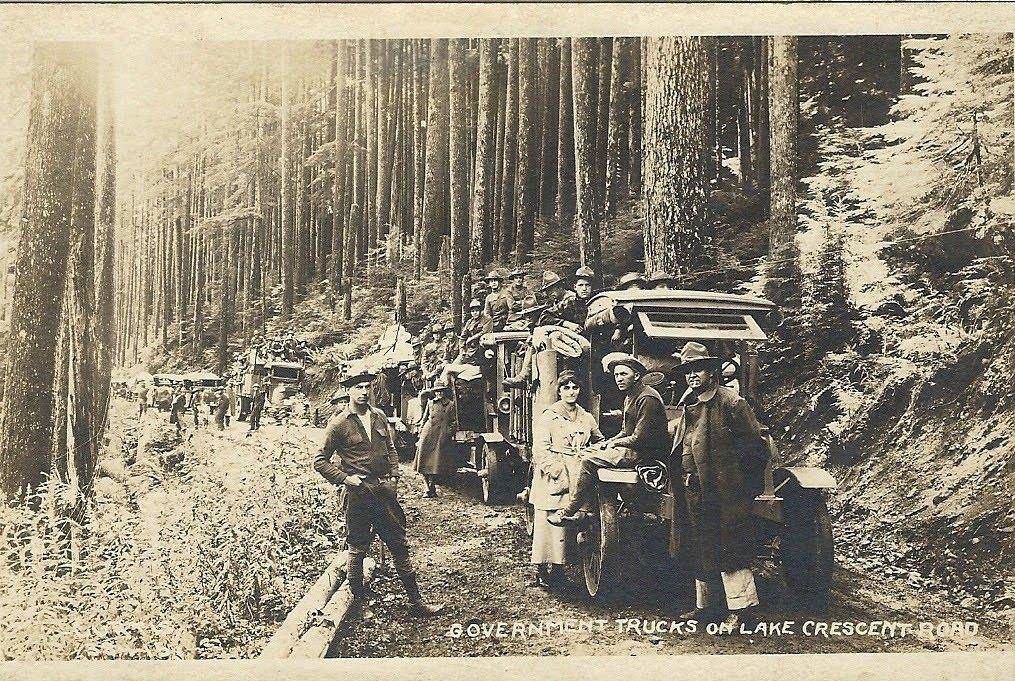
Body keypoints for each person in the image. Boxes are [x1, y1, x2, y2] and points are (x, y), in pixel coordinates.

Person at [314, 368, 444, 616]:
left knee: (398, 544)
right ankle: (358, 606)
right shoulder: (339, 424)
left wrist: (395, 476)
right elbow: (320, 461)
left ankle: (417, 602)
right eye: (358, 388)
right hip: (358, 494)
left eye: (367, 387)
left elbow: (392, 449)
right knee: (358, 548)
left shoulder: (379, 416)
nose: (364, 392)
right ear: (348, 391)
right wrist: (345, 479)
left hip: (384, 491)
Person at [670, 341, 767, 630]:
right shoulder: (691, 405)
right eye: (688, 371)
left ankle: (741, 611)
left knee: (731, 548)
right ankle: (707, 608)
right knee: (701, 545)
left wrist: (740, 490)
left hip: (727, 493)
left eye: (698, 369)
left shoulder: (732, 403)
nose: (692, 375)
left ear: (713, 371)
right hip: (694, 490)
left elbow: (755, 451)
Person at [548, 354, 669, 525]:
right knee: (585, 453)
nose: (618, 379)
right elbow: (624, 431)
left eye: (623, 374)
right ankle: (585, 508)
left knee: (589, 461)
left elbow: (639, 438)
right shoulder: (630, 396)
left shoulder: (647, 398)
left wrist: (613, 443)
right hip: (634, 449)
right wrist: (606, 442)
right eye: (616, 375)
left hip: (647, 454)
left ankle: (571, 510)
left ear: (636, 376)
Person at [529, 370, 603, 586]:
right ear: (559, 391)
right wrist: (555, 470)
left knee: (571, 519)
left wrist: (594, 452)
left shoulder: (586, 417)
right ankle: (542, 568)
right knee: (548, 521)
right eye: (566, 388)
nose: (571, 392)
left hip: (579, 472)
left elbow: (599, 440)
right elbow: (540, 448)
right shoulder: (549, 416)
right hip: (554, 473)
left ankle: (560, 569)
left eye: (575, 387)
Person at [413, 381, 457, 498]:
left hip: (440, 436)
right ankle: (427, 488)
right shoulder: (430, 403)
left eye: (441, 391)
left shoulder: (450, 405)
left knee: (435, 464)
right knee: (423, 461)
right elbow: (425, 418)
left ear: (444, 392)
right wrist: (421, 431)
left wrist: (448, 432)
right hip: (428, 434)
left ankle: (431, 487)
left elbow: (454, 422)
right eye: (437, 391)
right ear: (434, 392)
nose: (439, 393)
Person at [459, 299, 486, 364]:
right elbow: (463, 337)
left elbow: (485, 331)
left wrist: (471, 338)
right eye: (473, 311)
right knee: (454, 365)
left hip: (482, 350)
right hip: (471, 350)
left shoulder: (486, 319)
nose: (475, 313)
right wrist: (462, 349)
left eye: (477, 310)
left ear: (480, 311)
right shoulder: (469, 322)